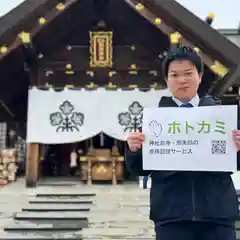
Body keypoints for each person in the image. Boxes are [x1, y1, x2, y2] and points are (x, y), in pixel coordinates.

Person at [125, 45, 240, 240]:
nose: (182, 80)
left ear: (200, 76)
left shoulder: (220, 116)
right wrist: (133, 150)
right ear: (167, 80)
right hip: (172, 214)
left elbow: (234, 164)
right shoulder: (155, 119)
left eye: (188, 73)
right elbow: (140, 169)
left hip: (217, 212)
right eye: (175, 75)